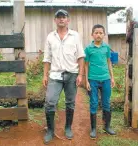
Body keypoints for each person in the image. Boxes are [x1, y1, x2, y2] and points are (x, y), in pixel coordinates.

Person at [42, 9, 85, 143]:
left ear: (68, 20)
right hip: (55, 75)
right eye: (59, 17)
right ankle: (50, 130)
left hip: (72, 74)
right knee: (50, 102)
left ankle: (68, 127)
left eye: (64, 17)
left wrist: (80, 74)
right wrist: (45, 75)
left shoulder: (75, 36)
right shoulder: (50, 37)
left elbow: (81, 56)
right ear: (55, 20)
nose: (61, 19)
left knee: (70, 103)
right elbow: (47, 58)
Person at [84, 24, 116, 139]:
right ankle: (93, 129)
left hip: (106, 79)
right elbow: (86, 65)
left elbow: (109, 63)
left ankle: (107, 126)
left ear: (104, 35)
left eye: (101, 33)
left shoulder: (106, 48)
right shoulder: (88, 49)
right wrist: (86, 80)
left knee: (106, 102)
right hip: (93, 80)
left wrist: (112, 77)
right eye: (96, 33)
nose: (98, 35)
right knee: (94, 103)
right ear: (92, 35)